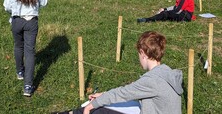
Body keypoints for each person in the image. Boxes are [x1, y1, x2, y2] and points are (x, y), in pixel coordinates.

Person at [55, 31, 183, 114]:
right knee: (107, 104)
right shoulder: (166, 72)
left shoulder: (152, 80)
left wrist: (90, 106)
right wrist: (103, 94)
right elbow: (129, 90)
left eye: (138, 54)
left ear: (143, 53)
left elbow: (124, 93)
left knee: (99, 110)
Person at [3, 0, 48, 97]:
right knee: (30, 51)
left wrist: (16, 10)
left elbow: (6, 6)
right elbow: (44, 2)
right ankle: (28, 85)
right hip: (31, 21)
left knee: (18, 46)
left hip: (16, 21)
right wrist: (33, 7)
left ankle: (20, 71)